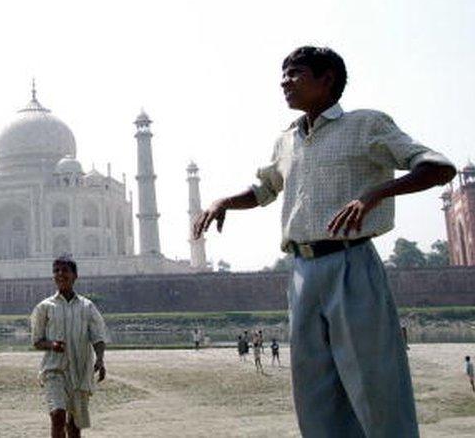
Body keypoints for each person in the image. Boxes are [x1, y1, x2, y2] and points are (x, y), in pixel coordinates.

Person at [193, 46, 455, 437]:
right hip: (301, 271)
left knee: (375, 383)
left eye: (295, 73)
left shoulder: (366, 125)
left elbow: (437, 167)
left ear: (327, 79)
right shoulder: (288, 140)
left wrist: (375, 193)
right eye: (283, 74)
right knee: (315, 391)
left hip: (350, 265)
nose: (285, 82)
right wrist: (223, 201)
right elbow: (265, 189)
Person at [31, 256, 108, 437]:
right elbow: (36, 341)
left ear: (75, 276)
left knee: (74, 424)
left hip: (80, 371)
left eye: (64, 270)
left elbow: (98, 336)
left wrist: (101, 359)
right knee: (57, 415)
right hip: (54, 370)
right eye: (56, 271)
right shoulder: (45, 307)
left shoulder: (87, 307)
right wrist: (51, 344)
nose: (60, 274)